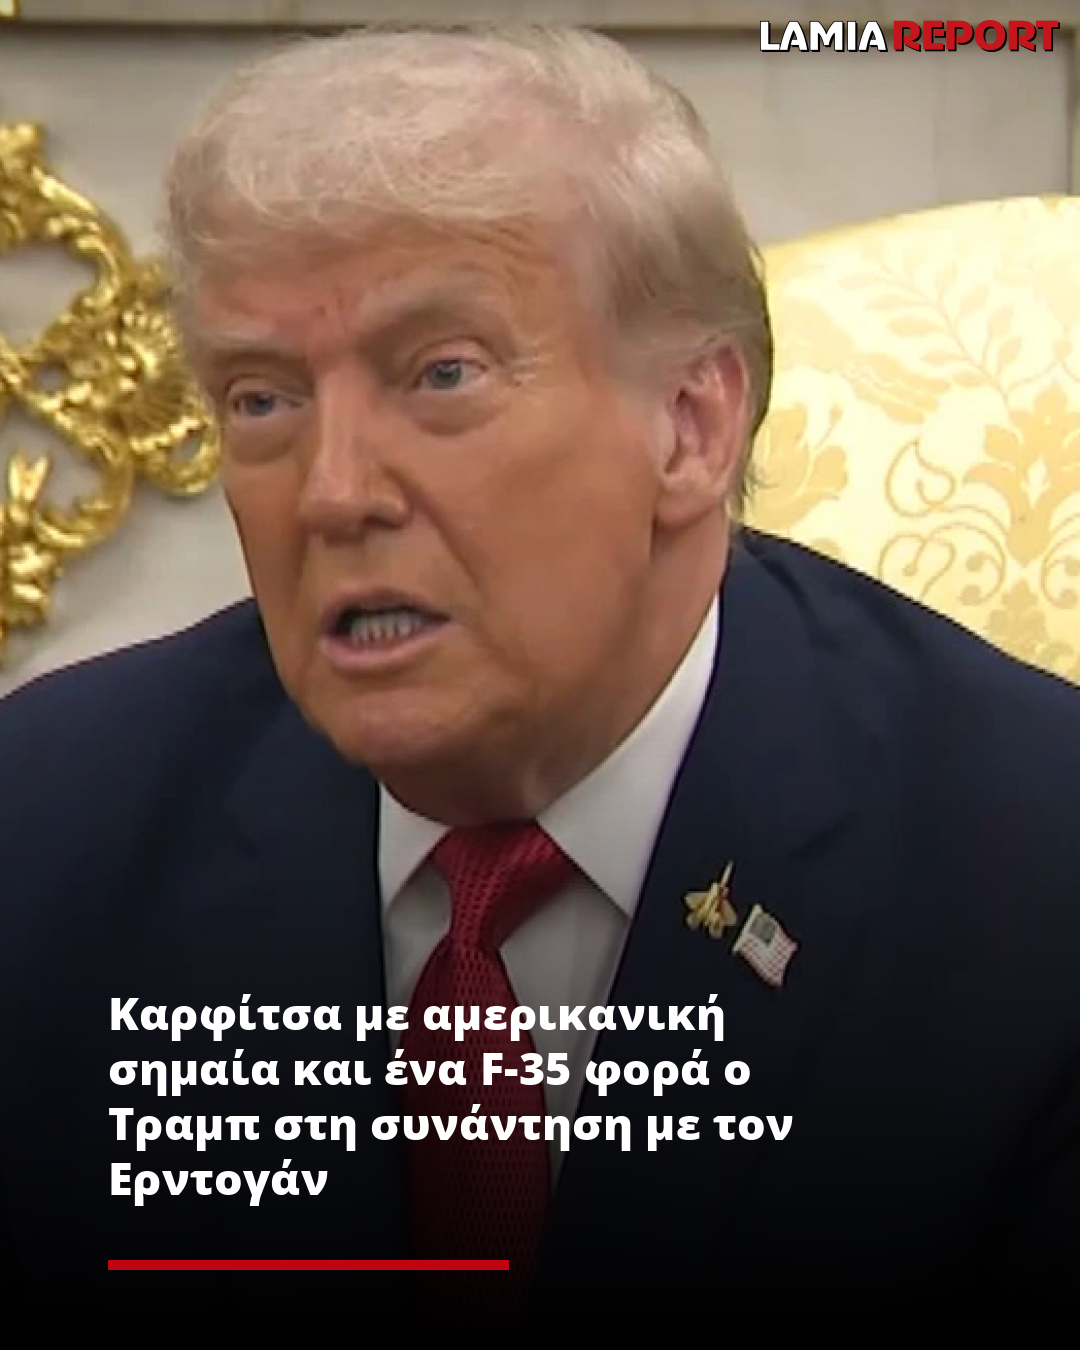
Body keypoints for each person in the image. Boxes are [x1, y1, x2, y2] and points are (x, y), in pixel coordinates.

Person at [1, 23, 1078, 1329]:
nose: (332, 493)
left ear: (689, 425)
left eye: (442, 375)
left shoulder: (1032, 871)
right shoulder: (46, 827)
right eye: (262, 399)